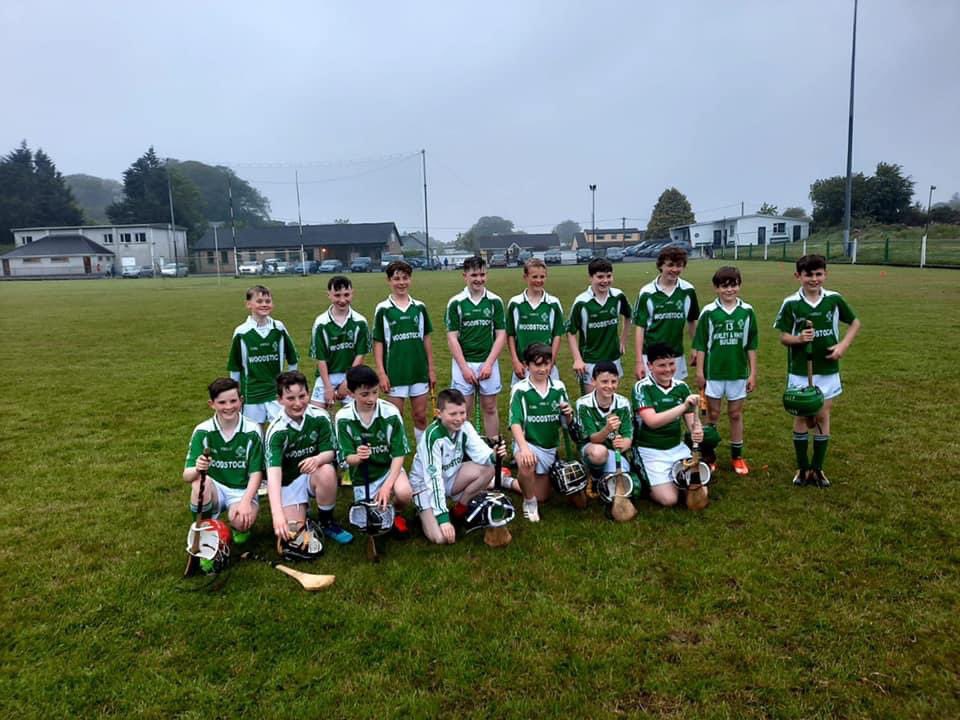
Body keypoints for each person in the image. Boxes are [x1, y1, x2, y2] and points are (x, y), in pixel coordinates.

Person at [774, 254, 860, 487]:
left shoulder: (834, 299)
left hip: (827, 368)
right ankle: (803, 468)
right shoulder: (791, 303)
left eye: (818, 274)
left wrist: (843, 345)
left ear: (825, 274)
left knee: (822, 414)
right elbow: (783, 337)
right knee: (802, 415)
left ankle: (818, 468)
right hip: (801, 369)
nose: (814, 279)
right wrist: (800, 338)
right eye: (808, 275)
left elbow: (854, 323)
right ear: (798, 276)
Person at [265, 371, 352, 545]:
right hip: (288, 482)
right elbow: (273, 475)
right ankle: (302, 517)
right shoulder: (277, 431)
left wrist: (317, 459)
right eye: (290, 398)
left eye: (302, 396)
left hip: (315, 475)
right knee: (293, 536)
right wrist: (277, 515)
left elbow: (330, 452)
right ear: (279, 399)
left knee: (327, 470)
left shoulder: (320, 417)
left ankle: (326, 521)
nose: (298, 403)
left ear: (309, 393)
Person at [409, 389, 506, 544]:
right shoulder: (432, 437)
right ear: (439, 413)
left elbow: (482, 453)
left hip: (450, 476)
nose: (459, 419)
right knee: (441, 539)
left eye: (462, 413)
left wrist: (495, 454)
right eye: (453, 414)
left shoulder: (465, 427)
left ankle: (460, 510)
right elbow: (433, 480)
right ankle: (423, 512)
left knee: (488, 469)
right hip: (425, 486)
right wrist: (443, 518)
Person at [692, 266, 758, 475]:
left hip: (737, 372)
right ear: (716, 288)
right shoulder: (709, 312)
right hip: (715, 373)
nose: (729, 290)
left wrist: (753, 372)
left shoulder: (747, 311)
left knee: (735, 414)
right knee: (712, 414)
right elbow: (701, 344)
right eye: (724, 286)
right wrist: (700, 372)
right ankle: (709, 456)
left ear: (739, 285)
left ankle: (737, 456)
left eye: (734, 285)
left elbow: (751, 344)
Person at [183, 378, 264, 545]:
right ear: (211, 404)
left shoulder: (253, 430)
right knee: (199, 484)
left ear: (241, 400)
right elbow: (187, 476)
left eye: (233, 401)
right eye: (222, 402)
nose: (228, 407)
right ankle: (204, 532)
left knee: (241, 521)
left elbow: (256, 473)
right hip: (216, 488)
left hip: (241, 489)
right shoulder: (202, 431)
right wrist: (198, 468)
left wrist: (246, 502)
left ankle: (238, 527)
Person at [336, 365, 414, 538]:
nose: (371, 399)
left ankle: (396, 513)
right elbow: (346, 457)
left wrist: (387, 486)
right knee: (368, 520)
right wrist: (357, 457)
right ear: (351, 393)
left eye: (375, 392)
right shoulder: (343, 418)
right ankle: (383, 510)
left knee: (404, 493)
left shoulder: (391, 413)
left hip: (388, 470)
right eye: (365, 394)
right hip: (362, 476)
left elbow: (399, 454)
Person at [631, 342, 703, 507]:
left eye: (671, 364)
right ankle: (641, 473)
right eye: (661, 365)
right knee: (669, 500)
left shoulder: (681, 387)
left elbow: (692, 423)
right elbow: (653, 422)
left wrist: (696, 430)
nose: (668, 369)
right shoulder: (642, 387)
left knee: (698, 491)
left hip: (676, 448)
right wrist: (683, 406)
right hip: (650, 451)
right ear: (650, 366)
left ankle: (674, 477)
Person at [372, 260, 437, 443]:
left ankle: (424, 457)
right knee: (396, 418)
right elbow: (378, 342)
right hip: (396, 372)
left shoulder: (419, 307)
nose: (401, 283)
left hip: (418, 371)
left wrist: (431, 369)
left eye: (405, 278)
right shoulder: (383, 309)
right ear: (389, 281)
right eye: (396, 279)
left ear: (411, 280)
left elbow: (426, 338)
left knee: (420, 416)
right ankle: (396, 463)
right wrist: (381, 373)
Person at [509, 343, 574, 523]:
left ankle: (508, 482)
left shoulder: (559, 387)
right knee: (526, 463)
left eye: (547, 364)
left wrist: (568, 414)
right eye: (537, 364)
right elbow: (515, 422)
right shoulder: (520, 389)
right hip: (528, 442)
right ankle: (529, 503)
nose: (543, 369)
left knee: (543, 496)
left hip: (549, 447)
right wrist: (523, 448)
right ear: (527, 365)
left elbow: (567, 423)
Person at [445, 255, 507, 437]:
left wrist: (488, 364)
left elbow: (500, 334)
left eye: (482, 274)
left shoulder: (495, 301)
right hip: (463, 364)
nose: (478, 279)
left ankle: (495, 452)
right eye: (474, 275)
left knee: (489, 407)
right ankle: (462, 452)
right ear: (465, 276)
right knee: (463, 411)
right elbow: (452, 338)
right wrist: (464, 368)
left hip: (488, 362)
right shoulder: (456, 303)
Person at [227, 285, 299, 427]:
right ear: (248, 304)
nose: (264, 304)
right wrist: (233, 392)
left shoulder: (279, 328)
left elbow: (292, 357)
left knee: (281, 428)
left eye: (268, 301)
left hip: (275, 392)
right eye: (259, 301)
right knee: (254, 432)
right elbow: (235, 366)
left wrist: (291, 382)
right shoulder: (242, 332)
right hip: (252, 393)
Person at [633, 247, 699, 381]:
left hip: (676, 355)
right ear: (660, 266)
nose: (674, 269)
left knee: (676, 395)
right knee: (652, 397)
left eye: (679, 265)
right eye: (670, 265)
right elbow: (640, 328)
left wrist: (695, 347)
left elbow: (692, 321)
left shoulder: (688, 290)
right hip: (650, 356)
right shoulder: (647, 292)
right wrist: (639, 361)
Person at [567, 258, 633, 393]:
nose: (605, 280)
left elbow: (628, 315)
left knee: (610, 401)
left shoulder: (618, 296)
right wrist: (577, 359)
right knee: (591, 404)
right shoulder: (581, 302)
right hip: (590, 360)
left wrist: (622, 341)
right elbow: (571, 332)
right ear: (590, 278)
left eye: (609, 276)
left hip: (613, 357)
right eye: (600, 277)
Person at [309, 275, 370, 409]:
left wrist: (348, 381)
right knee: (315, 416)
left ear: (352, 293)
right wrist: (327, 387)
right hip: (326, 376)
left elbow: (360, 355)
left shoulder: (360, 322)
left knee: (354, 417)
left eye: (346, 294)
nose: (342, 300)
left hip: (351, 375)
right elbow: (321, 358)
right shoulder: (321, 323)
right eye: (337, 295)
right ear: (329, 295)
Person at [505, 257, 565, 386]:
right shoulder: (515, 303)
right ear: (525, 277)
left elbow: (557, 335)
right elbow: (510, 335)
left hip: (547, 366)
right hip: (522, 366)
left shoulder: (553, 303)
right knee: (521, 403)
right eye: (534, 277)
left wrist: (550, 362)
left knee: (551, 401)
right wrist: (515, 361)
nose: (539, 281)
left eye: (542, 277)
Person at [575, 361, 634, 486]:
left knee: (624, 485)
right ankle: (594, 476)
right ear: (593, 381)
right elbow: (593, 438)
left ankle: (605, 478)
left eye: (613, 382)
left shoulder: (623, 403)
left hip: (614, 451)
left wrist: (623, 444)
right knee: (598, 453)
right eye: (604, 382)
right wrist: (607, 429)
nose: (609, 386)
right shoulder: (583, 404)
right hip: (592, 449)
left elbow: (628, 436)